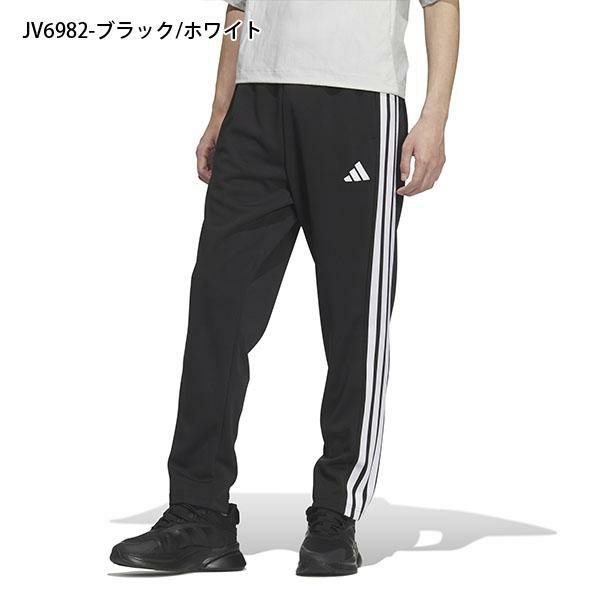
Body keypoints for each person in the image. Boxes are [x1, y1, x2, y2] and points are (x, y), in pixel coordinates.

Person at [110, 0, 459, 576]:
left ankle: (335, 513)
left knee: (354, 317)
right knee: (218, 308)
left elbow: (440, 3)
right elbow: (238, 8)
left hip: (356, 97)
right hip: (255, 104)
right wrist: (221, 110)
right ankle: (199, 512)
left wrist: (434, 116)